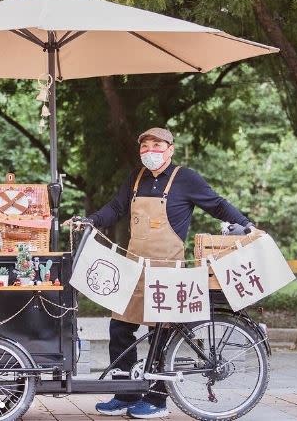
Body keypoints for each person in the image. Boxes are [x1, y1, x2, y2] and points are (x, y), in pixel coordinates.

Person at [63, 127, 259, 419]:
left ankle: (157, 400)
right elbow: (116, 208)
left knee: (161, 334)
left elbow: (217, 204)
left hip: (168, 270)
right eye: (144, 146)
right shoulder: (136, 177)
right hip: (135, 268)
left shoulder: (186, 178)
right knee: (120, 328)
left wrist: (247, 225)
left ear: (170, 149)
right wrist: (91, 220)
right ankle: (125, 394)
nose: (150, 151)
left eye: (156, 145)